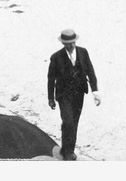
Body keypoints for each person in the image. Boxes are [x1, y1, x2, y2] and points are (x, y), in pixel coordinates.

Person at [47, 29, 100, 161]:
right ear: (63, 43)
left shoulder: (83, 52)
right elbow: (51, 79)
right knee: (68, 122)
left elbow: (90, 71)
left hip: (79, 93)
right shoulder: (56, 57)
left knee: (73, 123)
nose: (71, 46)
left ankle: (67, 148)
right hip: (64, 95)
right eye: (68, 44)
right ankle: (69, 152)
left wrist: (95, 92)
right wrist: (51, 98)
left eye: (73, 43)